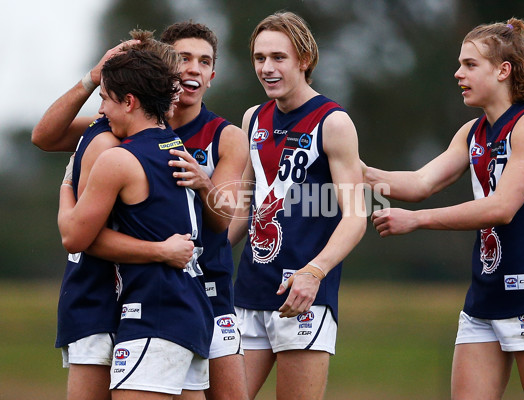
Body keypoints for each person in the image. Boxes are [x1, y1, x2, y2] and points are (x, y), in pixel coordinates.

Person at [363, 18, 524, 400]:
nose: (458, 73)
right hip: (484, 296)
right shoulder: (472, 133)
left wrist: (416, 221)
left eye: (470, 65)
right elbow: (420, 183)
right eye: (460, 64)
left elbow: (502, 208)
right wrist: (353, 170)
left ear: (503, 70)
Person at [32, 33, 195, 400]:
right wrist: (92, 78)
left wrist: (67, 184)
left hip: (128, 300)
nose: (180, 87)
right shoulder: (115, 132)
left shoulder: (129, 142)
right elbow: (43, 136)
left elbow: (77, 235)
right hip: (116, 296)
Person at [227, 11, 366, 400]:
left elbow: (356, 217)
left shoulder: (334, 122)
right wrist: (206, 253)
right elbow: (244, 207)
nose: (267, 68)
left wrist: (314, 272)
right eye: (259, 58)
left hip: (303, 296)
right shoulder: (253, 118)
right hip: (249, 292)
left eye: (278, 58)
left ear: (304, 60)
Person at [159, 21, 250, 400]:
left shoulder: (226, 136)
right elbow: (46, 137)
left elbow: (222, 220)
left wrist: (203, 182)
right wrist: (93, 78)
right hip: (154, 293)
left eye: (204, 61)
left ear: (212, 76)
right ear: (163, 66)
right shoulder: (135, 127)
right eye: (183, 58)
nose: (194, 68)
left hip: (211, 292)